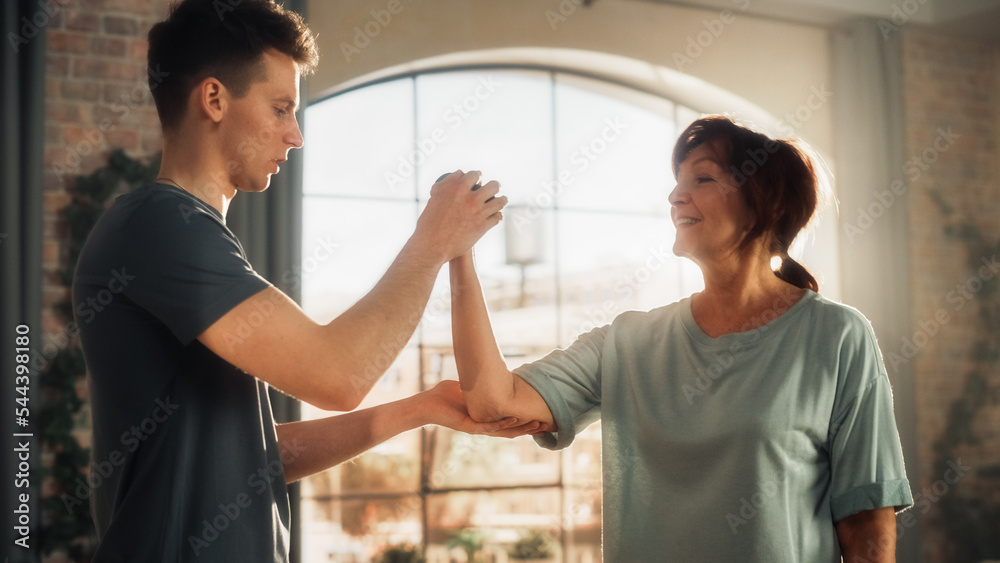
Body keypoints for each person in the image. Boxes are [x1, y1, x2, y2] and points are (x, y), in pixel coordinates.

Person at [71, 0, 537, 560]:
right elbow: (338, 375)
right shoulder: (159, 227)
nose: (295, 135)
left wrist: (419, 408)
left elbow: (258, 458)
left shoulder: (190, 237)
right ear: (214, 99)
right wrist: (434, 240)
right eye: (280, 108)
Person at [450, 115, 914, 562]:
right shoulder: (628, 343)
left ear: (763, 201)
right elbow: (494, 401)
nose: (675, 195)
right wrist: (459, 255)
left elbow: (866, 522)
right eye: (678, 181)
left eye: (702, 180)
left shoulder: (835, 336)